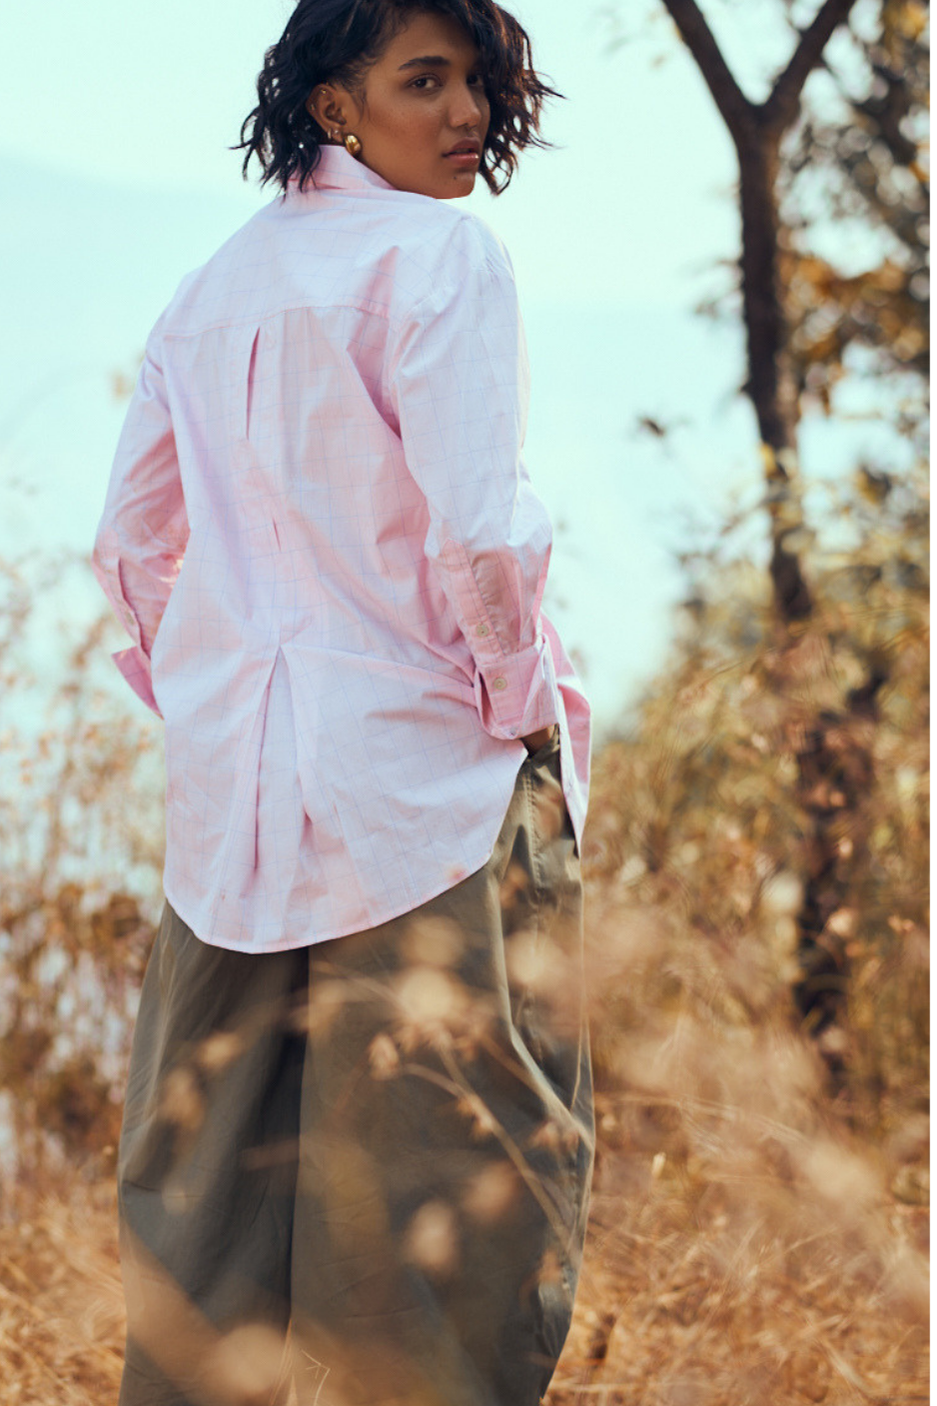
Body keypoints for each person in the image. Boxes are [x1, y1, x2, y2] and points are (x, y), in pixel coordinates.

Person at [93, 2, 593, 1403]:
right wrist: (524, 712)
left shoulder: (213, 284)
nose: (467, 114)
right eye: (422, 80)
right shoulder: (445, 255)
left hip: (231, 824)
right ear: (334, 105)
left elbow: (131, 546)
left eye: (478, 82)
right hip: (420, 794)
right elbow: (477, 537)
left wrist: (201, 706)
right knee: (446, 1215)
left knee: (204, 1216)